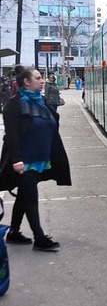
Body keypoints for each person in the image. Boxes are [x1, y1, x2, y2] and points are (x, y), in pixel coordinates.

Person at [0, 67, 71, 251]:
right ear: (27, 82)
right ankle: (39, 237)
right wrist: (16, 159)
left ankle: (14, 232)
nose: (42, 81)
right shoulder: (14, 105)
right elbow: (12, 135)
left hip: (40, 158)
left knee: (24, 195)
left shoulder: (41, 101)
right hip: (24, 160)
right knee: (31, 195)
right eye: (38, 78)